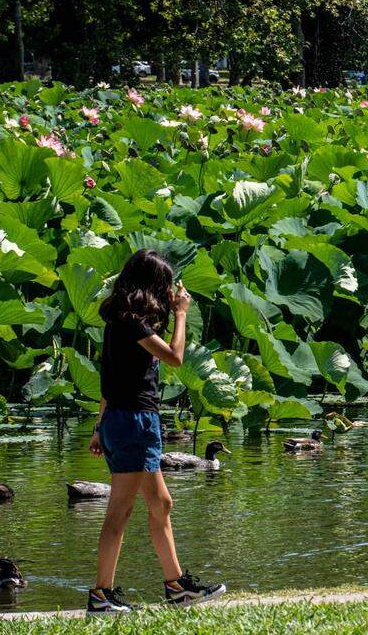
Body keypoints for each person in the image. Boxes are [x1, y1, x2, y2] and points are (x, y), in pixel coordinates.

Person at [87, 249, 226, 614]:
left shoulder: (122, 322)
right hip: (133, 422)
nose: (169, 291)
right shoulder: (131, 323)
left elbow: (109, 380)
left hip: (128, 421)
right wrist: (181, 313)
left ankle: (176, 587)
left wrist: (100, 427)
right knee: (120, 512)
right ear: (150, 286)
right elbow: (175, 357)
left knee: (161, 504)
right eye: (165, 284)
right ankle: (101, 595)